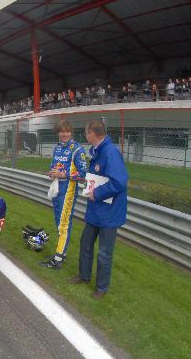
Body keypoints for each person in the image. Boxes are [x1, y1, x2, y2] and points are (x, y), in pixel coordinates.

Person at [71, 121, 128, 299]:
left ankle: (102, 287)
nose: (85, 136)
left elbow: (119, 182)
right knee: (85, 242)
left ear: (92, 134)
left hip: (109, 212)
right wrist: (88, 181)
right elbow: (99, 175)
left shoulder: (110, 152)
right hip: (96, 210)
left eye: (86, 133)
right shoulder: (98, 150)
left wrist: (97, 192)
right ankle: (84, 275)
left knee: (104, 252)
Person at [42, 120, 87, 269]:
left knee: (63, 225)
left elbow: (83, 174)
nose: (65, 134)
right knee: (58, 223)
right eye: (62, 131)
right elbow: (52, 167)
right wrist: (51, 173)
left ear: (71, 132)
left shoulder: (78, 149)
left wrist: (64, 174)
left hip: (68, 192)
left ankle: (58, 259)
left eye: (67, 131)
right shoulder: (57, 148)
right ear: (58, 133)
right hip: (56, 190)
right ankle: (62, 253)